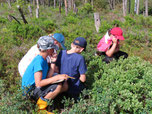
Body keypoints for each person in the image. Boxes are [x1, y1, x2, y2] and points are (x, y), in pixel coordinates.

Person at [22, 36, 68, 112]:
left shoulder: (43, 59)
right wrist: (56, 78)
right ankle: (40, 109)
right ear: (49, 49)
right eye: (53, 48)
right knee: (57, 86)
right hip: (29, 91)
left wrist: (53, 62)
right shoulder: (39, 61)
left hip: (35, 88)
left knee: (59, 83)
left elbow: (47, 77)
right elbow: (38, 83)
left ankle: (47, 105)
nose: (54, 50)